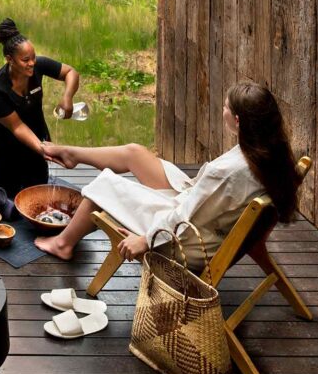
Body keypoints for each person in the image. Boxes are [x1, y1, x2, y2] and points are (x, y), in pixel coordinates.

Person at [35, 81, 301, 269]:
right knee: (135, 153)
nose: (223, 111)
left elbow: (185, 217)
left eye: (225, 108)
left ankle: (62, 244)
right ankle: (73, 153)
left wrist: (145, 240)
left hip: (186, 239)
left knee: (103, 187)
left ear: (239, 120)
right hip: (202, 209)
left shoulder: (228, 172)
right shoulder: (269, 151)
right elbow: (204, 199)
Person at [0, 18, 80, 199]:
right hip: (2, 138)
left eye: (33, 57)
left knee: (39, 181)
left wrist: (67, 97)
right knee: (8, 192)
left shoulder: (37, 66)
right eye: (26, 59)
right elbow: (17, 127)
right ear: (10, 59)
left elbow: (71, 73)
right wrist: (42, 149)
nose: (32, 63)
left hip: (33, 128)